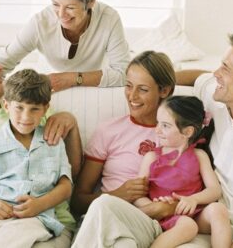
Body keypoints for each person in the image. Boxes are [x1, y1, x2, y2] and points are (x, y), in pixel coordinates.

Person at [0, 44, 82, 247]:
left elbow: (71, 175)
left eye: (34, 110)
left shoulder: (34, 104)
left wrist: (71, 124)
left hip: (44, 219)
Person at [71, 50, 177, 247]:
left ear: (164, 90)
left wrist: (169, 206)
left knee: (104, 207)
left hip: (144, 223)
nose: (132, 96)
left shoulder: (177, 135)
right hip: (103, 220)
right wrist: (118, 195)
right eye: (129, 86)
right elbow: (77, 200)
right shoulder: (109, 130)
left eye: (143, 89)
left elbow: (193, 189)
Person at [0, 0, 130, 92]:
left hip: (94, 91)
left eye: (70, 7)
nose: (61, 14)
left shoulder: (109, 19)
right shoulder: (40, 23)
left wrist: (72, 78)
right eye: (55, 4)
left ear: (91, 1)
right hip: (48, 94)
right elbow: (1, 65)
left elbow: (123, 74)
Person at [175, 34, 233, 248]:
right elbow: (199, 78)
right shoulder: (218, 101)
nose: (216, 74)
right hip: (213, 221)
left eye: (226, 69)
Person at [134, 95, 231, 248]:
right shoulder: (151, 157)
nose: (157, 129)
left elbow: (214, 190)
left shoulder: (199, 156)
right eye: (158, 122)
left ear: (187, 132)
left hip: (195, 211)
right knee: (188, 226)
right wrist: (155, 206)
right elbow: (138, 194)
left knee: (219, 210)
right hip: (164, 215)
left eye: (165, 125)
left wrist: (193, 200)